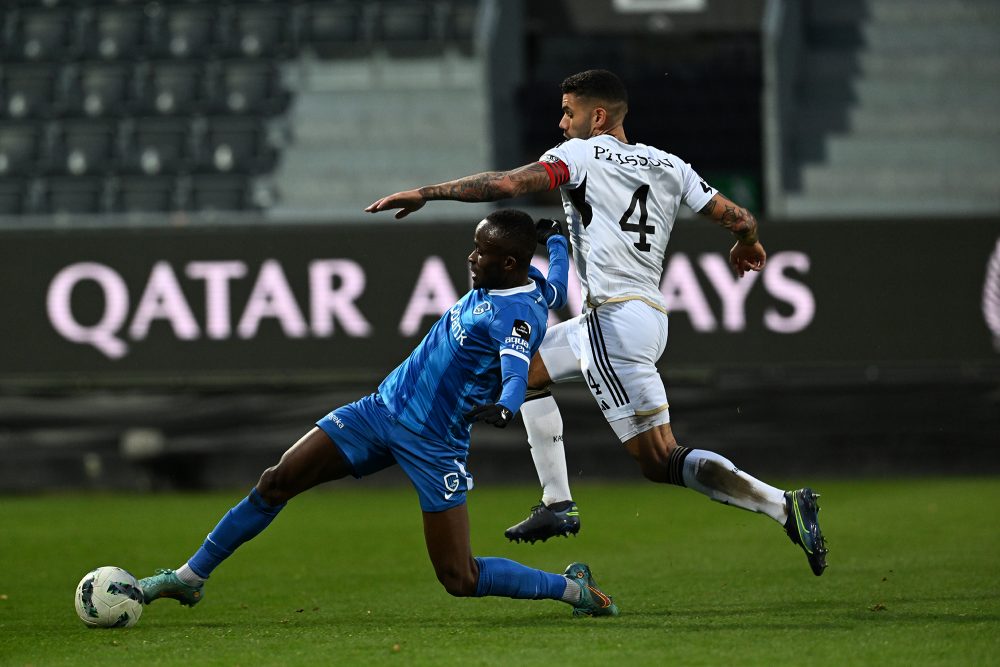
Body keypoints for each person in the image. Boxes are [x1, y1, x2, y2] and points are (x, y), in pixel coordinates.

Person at [366, 69, 827, 576]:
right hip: (639, 313)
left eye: (568, 111)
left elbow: (504, 185)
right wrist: (747, 242)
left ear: (598, 116)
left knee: (658, 457)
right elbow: (740, 218)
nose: (561, 122)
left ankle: (782, 505)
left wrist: (426, 193)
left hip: (612, 320)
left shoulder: (581, 155)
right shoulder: (670, 165)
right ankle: (557, 502)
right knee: (525, 368)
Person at [138, 209, 619, 617]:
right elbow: (556, 286)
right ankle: (189, 576)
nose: (471, 257)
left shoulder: (513, 318)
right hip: (379, 412)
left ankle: (572, 587)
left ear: (508, 262)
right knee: (276, 481)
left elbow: (515, 373)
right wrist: (555, 240)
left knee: (459, 576)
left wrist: (507, 406)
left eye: (480, 252)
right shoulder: (528, 284)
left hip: (434, 444)